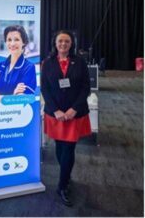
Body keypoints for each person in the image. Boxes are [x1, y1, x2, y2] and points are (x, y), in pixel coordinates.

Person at [41, 30, 91, 207]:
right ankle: (66, 174)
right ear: (55, 43)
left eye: (67, 42)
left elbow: (86, 87)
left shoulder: (80, 62)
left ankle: (62, 186)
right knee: (59, 146)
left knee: (69, 148)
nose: (63, 44)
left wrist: (73, 110)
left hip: (74, 114)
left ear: (71, 44)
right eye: (60, 41)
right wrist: (55, 111)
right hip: (55, 114)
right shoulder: (47, 63)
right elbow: (45, 89)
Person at [0, 25, 36, 104]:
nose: (12, 44)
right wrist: (13, 96)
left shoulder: (28, 67)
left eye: (16, 40)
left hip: (17, 114)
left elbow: (22, 100)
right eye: (9, 40)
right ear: (5, 42)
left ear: (24, 42)